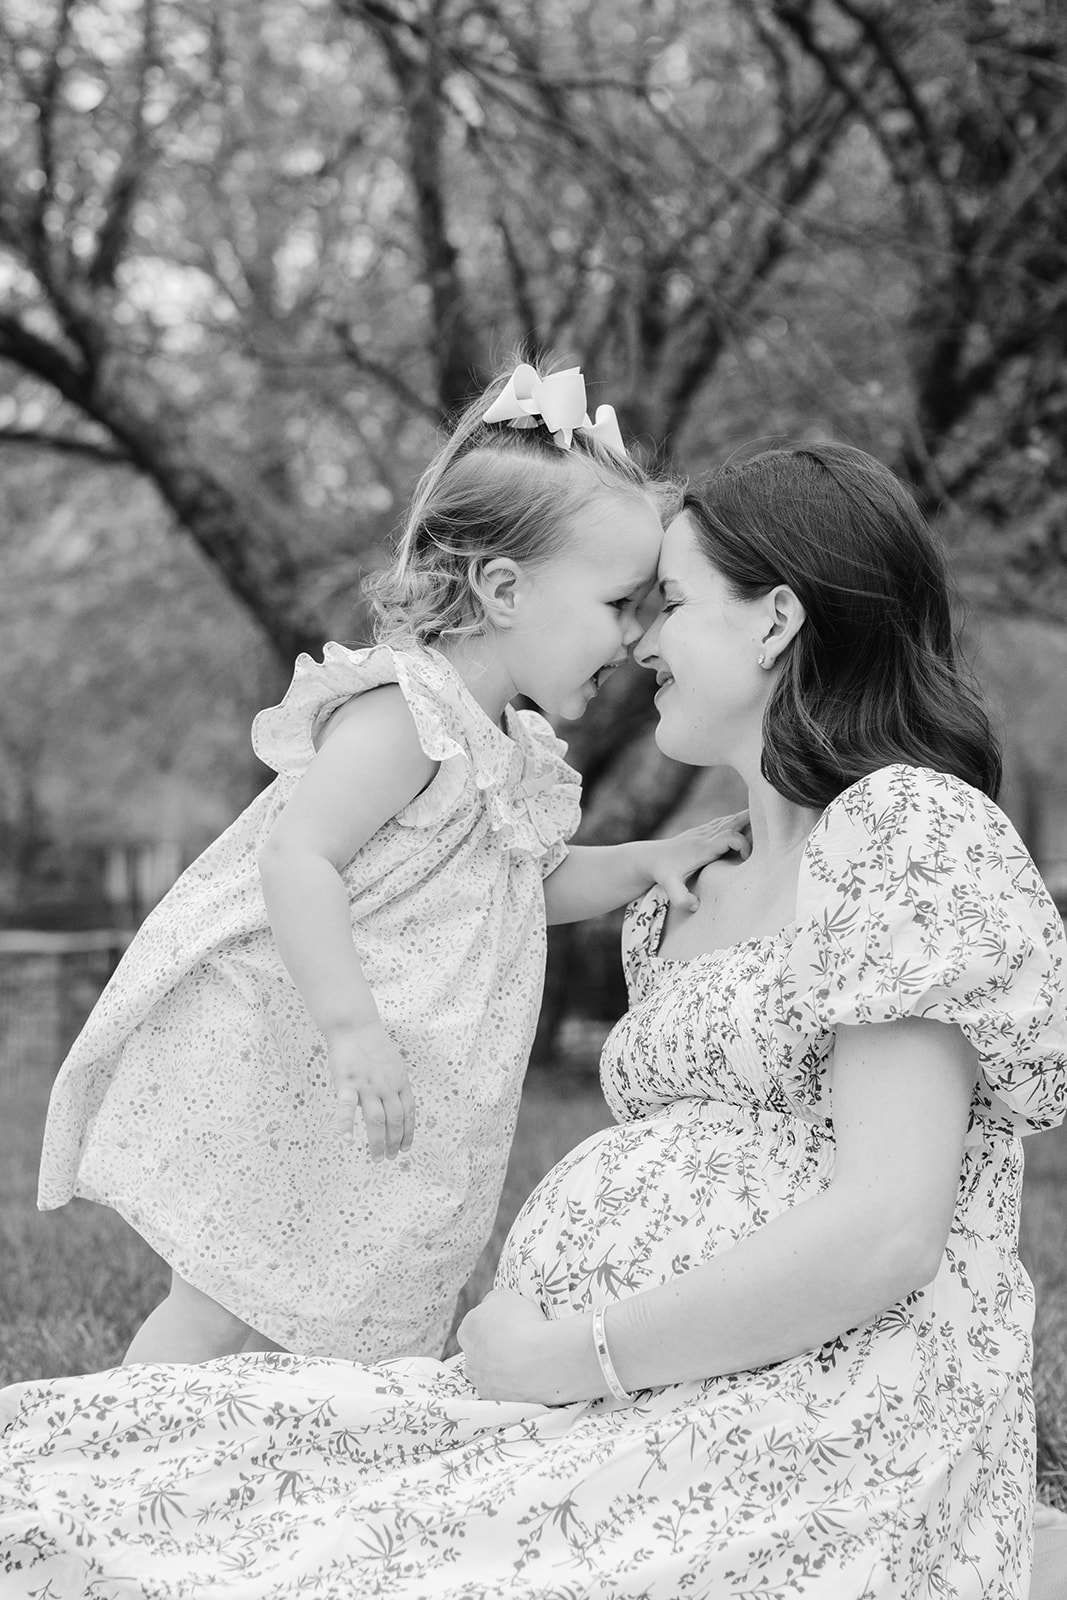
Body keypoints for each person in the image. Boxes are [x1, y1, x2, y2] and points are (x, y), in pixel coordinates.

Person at [4, 442, 1065, 1599]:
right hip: (596, 1394)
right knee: (137, 1469)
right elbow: (428, 875)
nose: (638, 642)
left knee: (269, 1558)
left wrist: (578, 1351)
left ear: (772, 623)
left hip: (811, 1421)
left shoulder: (906, 827)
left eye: (664, 603)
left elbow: (884, 1230)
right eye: (626, 604)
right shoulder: (696, 884)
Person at [34, 360, 749, 1368]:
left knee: (320, 1324)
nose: (639, 638)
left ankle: (257, 1476)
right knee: (223, 1307)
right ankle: (116, 1465)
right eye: (622, 602)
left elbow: (515, 891)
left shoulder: (502, 746)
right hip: (299, 1065)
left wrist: (648, 856)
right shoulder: (403, 714)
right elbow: (297, 859)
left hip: (371, 1094)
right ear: (503, 590)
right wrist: (349, 1026)